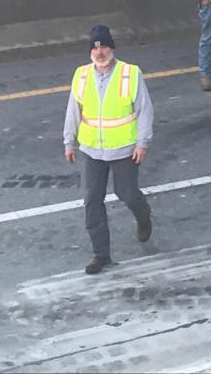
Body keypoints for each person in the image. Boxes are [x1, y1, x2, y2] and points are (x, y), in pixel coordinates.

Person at [64, 24, 154, 275]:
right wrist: (69, 141)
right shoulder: (81, 75)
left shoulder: (130, 73)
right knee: (92, 200)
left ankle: (143, 214)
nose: (99, 51)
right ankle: (100, 254)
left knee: (128, 194)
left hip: (124, 149)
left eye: (103, 46)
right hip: (92, 150)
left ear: (111, 47)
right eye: (95, 47)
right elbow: (74, 111)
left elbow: (144, 110)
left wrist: (142, 142)